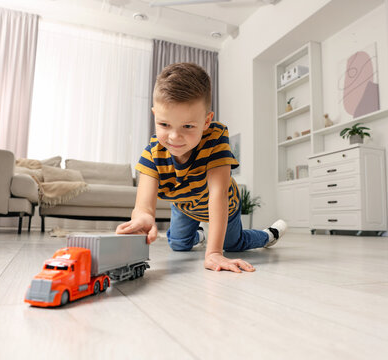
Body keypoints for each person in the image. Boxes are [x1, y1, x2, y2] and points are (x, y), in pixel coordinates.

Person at [116, 62, 287, 273]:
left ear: (206, 121)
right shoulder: (153, 152)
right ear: (155, 115)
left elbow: (218, 195)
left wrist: (214, 252)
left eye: (187, 126)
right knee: (178, 245)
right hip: (185, 205)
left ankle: (269, 235)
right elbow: (144, 204)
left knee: (233, 245)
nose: (174, 137)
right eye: (164, 125)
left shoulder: (216, 139)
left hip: (224, 205)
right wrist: (142, 217)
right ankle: (201, 234)